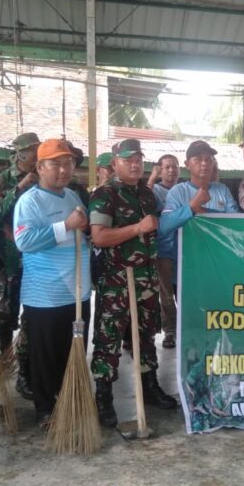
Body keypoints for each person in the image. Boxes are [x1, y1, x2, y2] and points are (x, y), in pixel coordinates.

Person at [89, 139, 177, 427]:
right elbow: (99, 236)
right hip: (116, 280)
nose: (135, 164)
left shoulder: (147, 194)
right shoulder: (105, 194)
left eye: (138, 159)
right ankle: (103, 395)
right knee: (109, 338)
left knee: (146, 334)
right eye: (128, 160)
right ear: (115, 163)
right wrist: (138, 227)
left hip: (146, 279)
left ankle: (149, 385)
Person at [13, 138, 91, 426]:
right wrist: (66, 225)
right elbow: (24, 241)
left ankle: (68, 400)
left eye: (68, 163)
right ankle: (45, 409)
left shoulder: (73, 196)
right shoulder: (29, 201)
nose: (63, 169)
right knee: (44, 355)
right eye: (55, 164)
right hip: (46, 295)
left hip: (78, 291)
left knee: (71, 353)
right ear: (40, 168)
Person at [0, 132, 41, 400]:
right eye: (33, 150)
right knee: (8, 307)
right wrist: (20, 187)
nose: (36, 154)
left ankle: (26, 366)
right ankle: (4, 355)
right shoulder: (3, 179)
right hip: (11, 255)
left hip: (36, 255)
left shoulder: (43, 175)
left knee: (32, 311)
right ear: (21, 153)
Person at [158, 140, 239, 286]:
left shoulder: (222, 190)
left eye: (208, 159)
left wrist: (202, 211)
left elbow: (236, 224)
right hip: (186, 266)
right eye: (198, 159)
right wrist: (191, 206)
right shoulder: (178, 191)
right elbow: (164, 226)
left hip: (217, 264)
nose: (204, 163)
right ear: (187, 164)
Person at [146, 153, 182, 349]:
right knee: (166, 294)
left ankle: (185, 327)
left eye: (174, 166)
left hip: (186, 249)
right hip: (164, 248)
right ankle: (170, 331)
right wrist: (152, 178)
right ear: (160, 170)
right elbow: (143, 202)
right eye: (167, 166)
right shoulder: (155, 190)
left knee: (183, 291)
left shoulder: (184, 189)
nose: (171, 170)